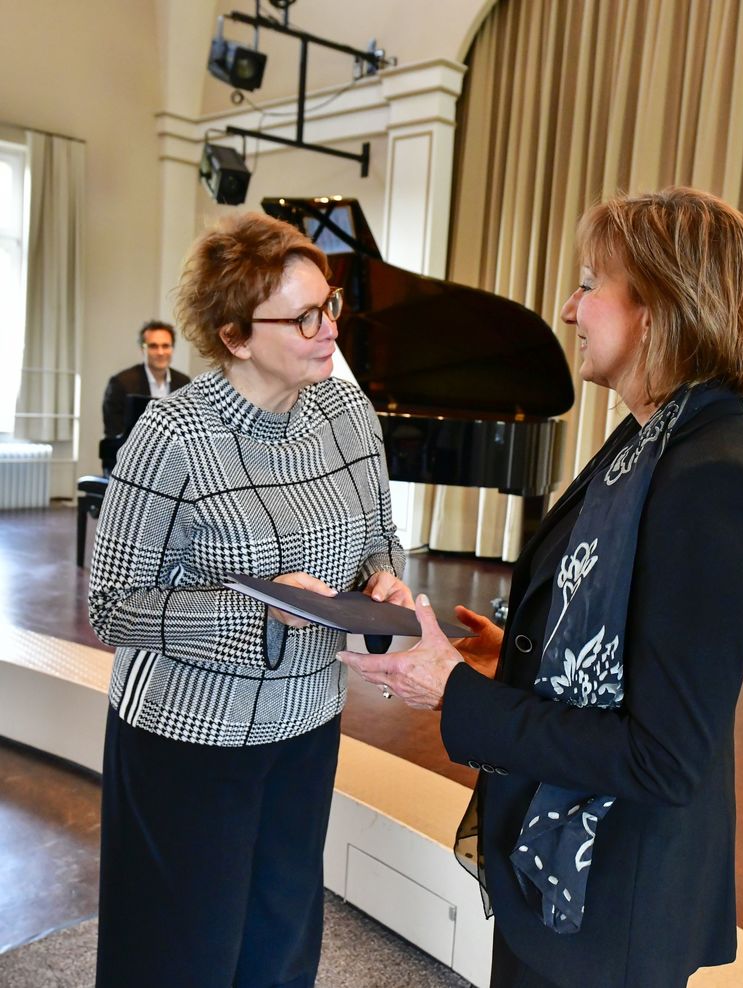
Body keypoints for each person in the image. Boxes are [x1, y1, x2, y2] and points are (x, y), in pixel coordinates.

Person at [340, 188, 743, 987]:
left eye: (591, 283)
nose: (570, 307)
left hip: (610, 901)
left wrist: (452, 692)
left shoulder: (714, 479)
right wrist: (516, 655)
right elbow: (612, 635)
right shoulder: (653, 438)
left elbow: (662, 757)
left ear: (658, 307)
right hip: (568, 874)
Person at [88, 212, 411, 988]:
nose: (328, 328)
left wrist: (384, 577)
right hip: (189, 739)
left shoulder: (346, 410)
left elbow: (380, 532)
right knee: (181, 954)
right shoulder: (171, 435)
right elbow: (113, 602)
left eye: (329, 305)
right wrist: (255, 612)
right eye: (304, 316)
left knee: (280, 940)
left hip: (307, 722)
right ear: (235, 335)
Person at [101, 320, 191, 438]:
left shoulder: (184, 383)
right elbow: (114, 433)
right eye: (153, 346)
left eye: (165, 346)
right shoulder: (121, 383)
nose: (160, 352)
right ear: (142, 349)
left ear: (172, 349)